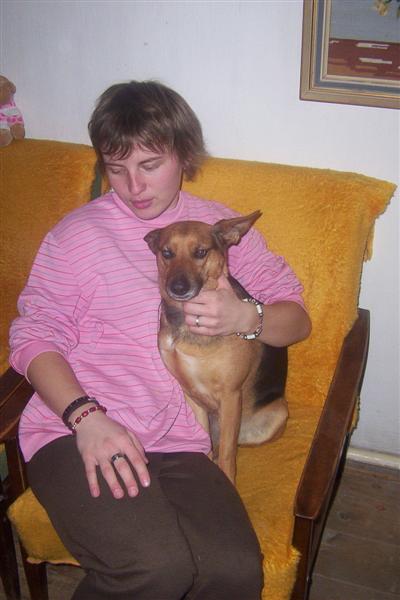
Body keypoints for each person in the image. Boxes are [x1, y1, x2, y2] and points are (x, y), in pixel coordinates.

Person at [9, 80, 311, 600]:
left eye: (150, 165)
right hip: (81, 428)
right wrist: (85, 416)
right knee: (155, 568)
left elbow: (297, 321)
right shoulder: (76, 236)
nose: (134, 186)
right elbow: (33, 335)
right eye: (116, 167)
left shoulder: (220, 230)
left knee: (235, 572)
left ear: (184, 155)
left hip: (184, 443)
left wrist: (246, 315)